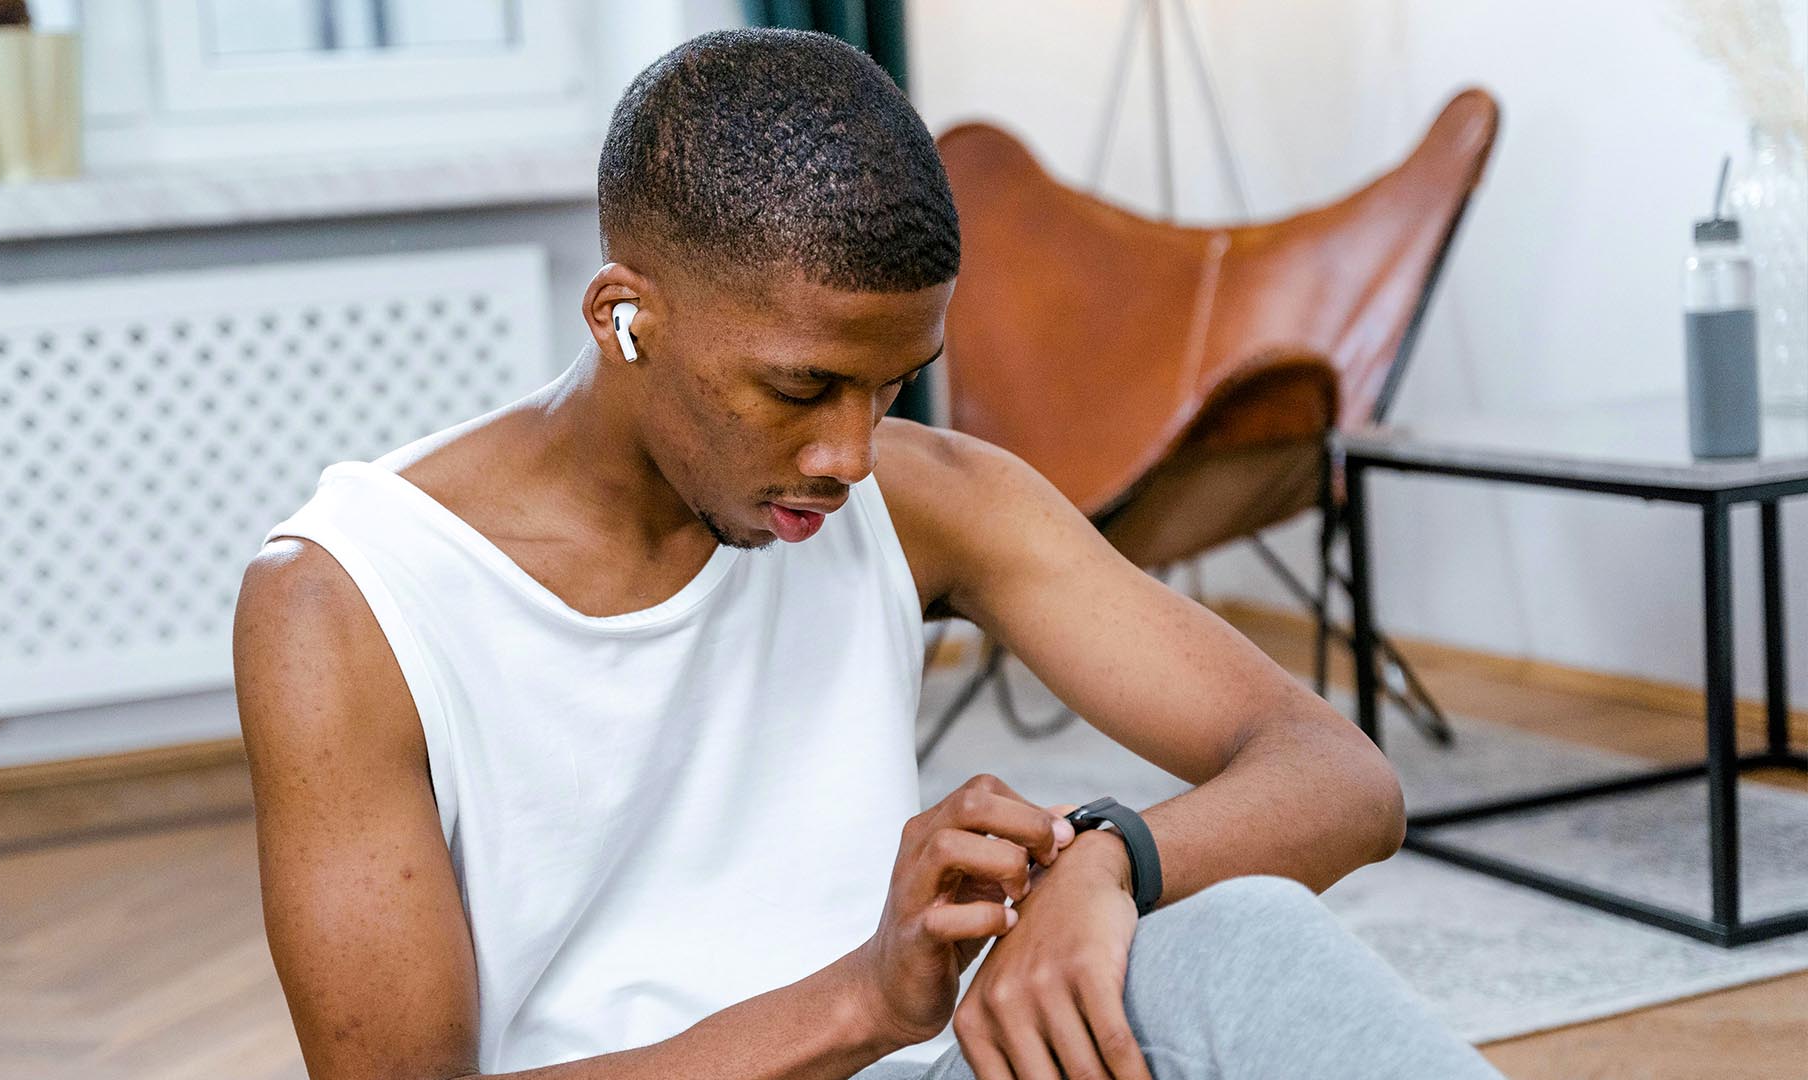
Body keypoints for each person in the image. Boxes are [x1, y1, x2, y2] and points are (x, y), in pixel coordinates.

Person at [231, 27, 1504, 1080]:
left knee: (1238, 940)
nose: (851, 452)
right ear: (626, 316)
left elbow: (1342, 777)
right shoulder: (346, 602)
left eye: (894, 386)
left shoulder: (928, 498)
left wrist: (1114, 859)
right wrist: (866, 1001)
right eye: (803, 388)